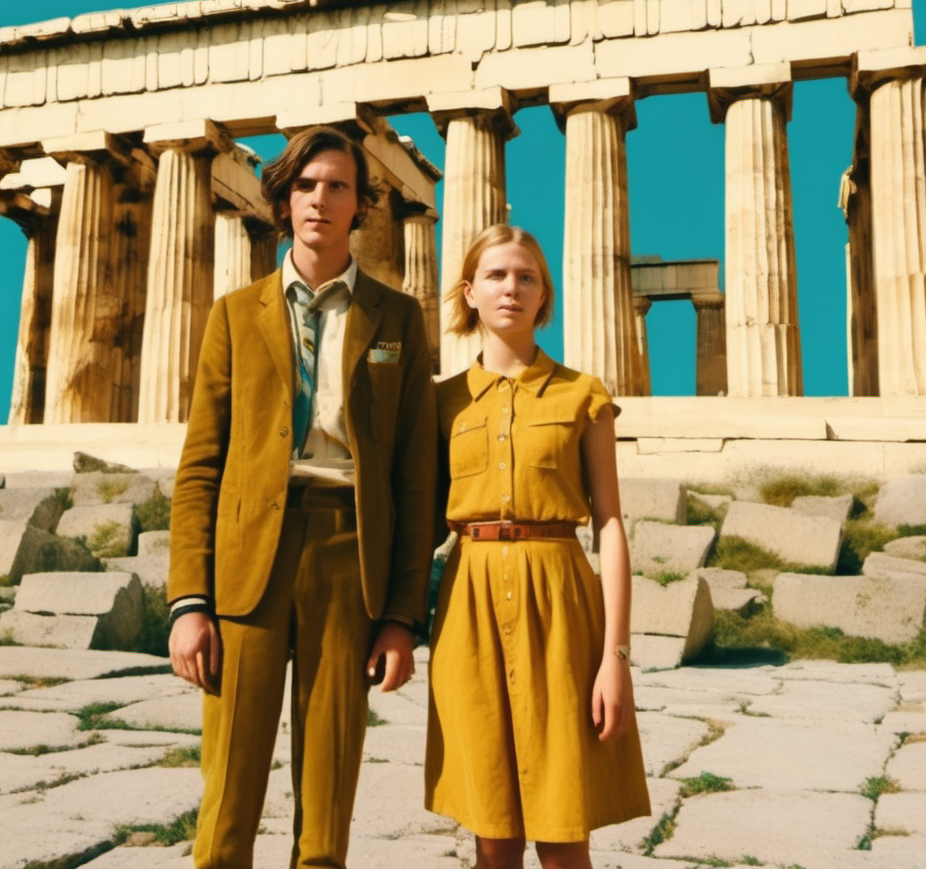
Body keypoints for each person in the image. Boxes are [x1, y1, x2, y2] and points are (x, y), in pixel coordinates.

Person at [167, 125, 437, 869]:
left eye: (339, 186)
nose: (322, 199)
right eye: (308, 185)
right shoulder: (233, 313)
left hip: (350, 556)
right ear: (284, 201)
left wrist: (402, 617)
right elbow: (200, 468)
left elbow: (416, 479)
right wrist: (190, 601)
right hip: (248, 558)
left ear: (362, 206)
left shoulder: (399, 318)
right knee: (226, 802)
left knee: (328, 804)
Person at [425, 224, 651, 869]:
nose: (511, 288)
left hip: (561, 604)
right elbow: (420, 525)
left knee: (563, 825)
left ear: (543, 294)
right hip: (467, 607)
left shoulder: (583, 394)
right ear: (470, 292)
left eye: (527, 277)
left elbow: (608, 523)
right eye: (496, 275)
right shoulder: (441, 403)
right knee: (491, 830)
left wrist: (616, 658)